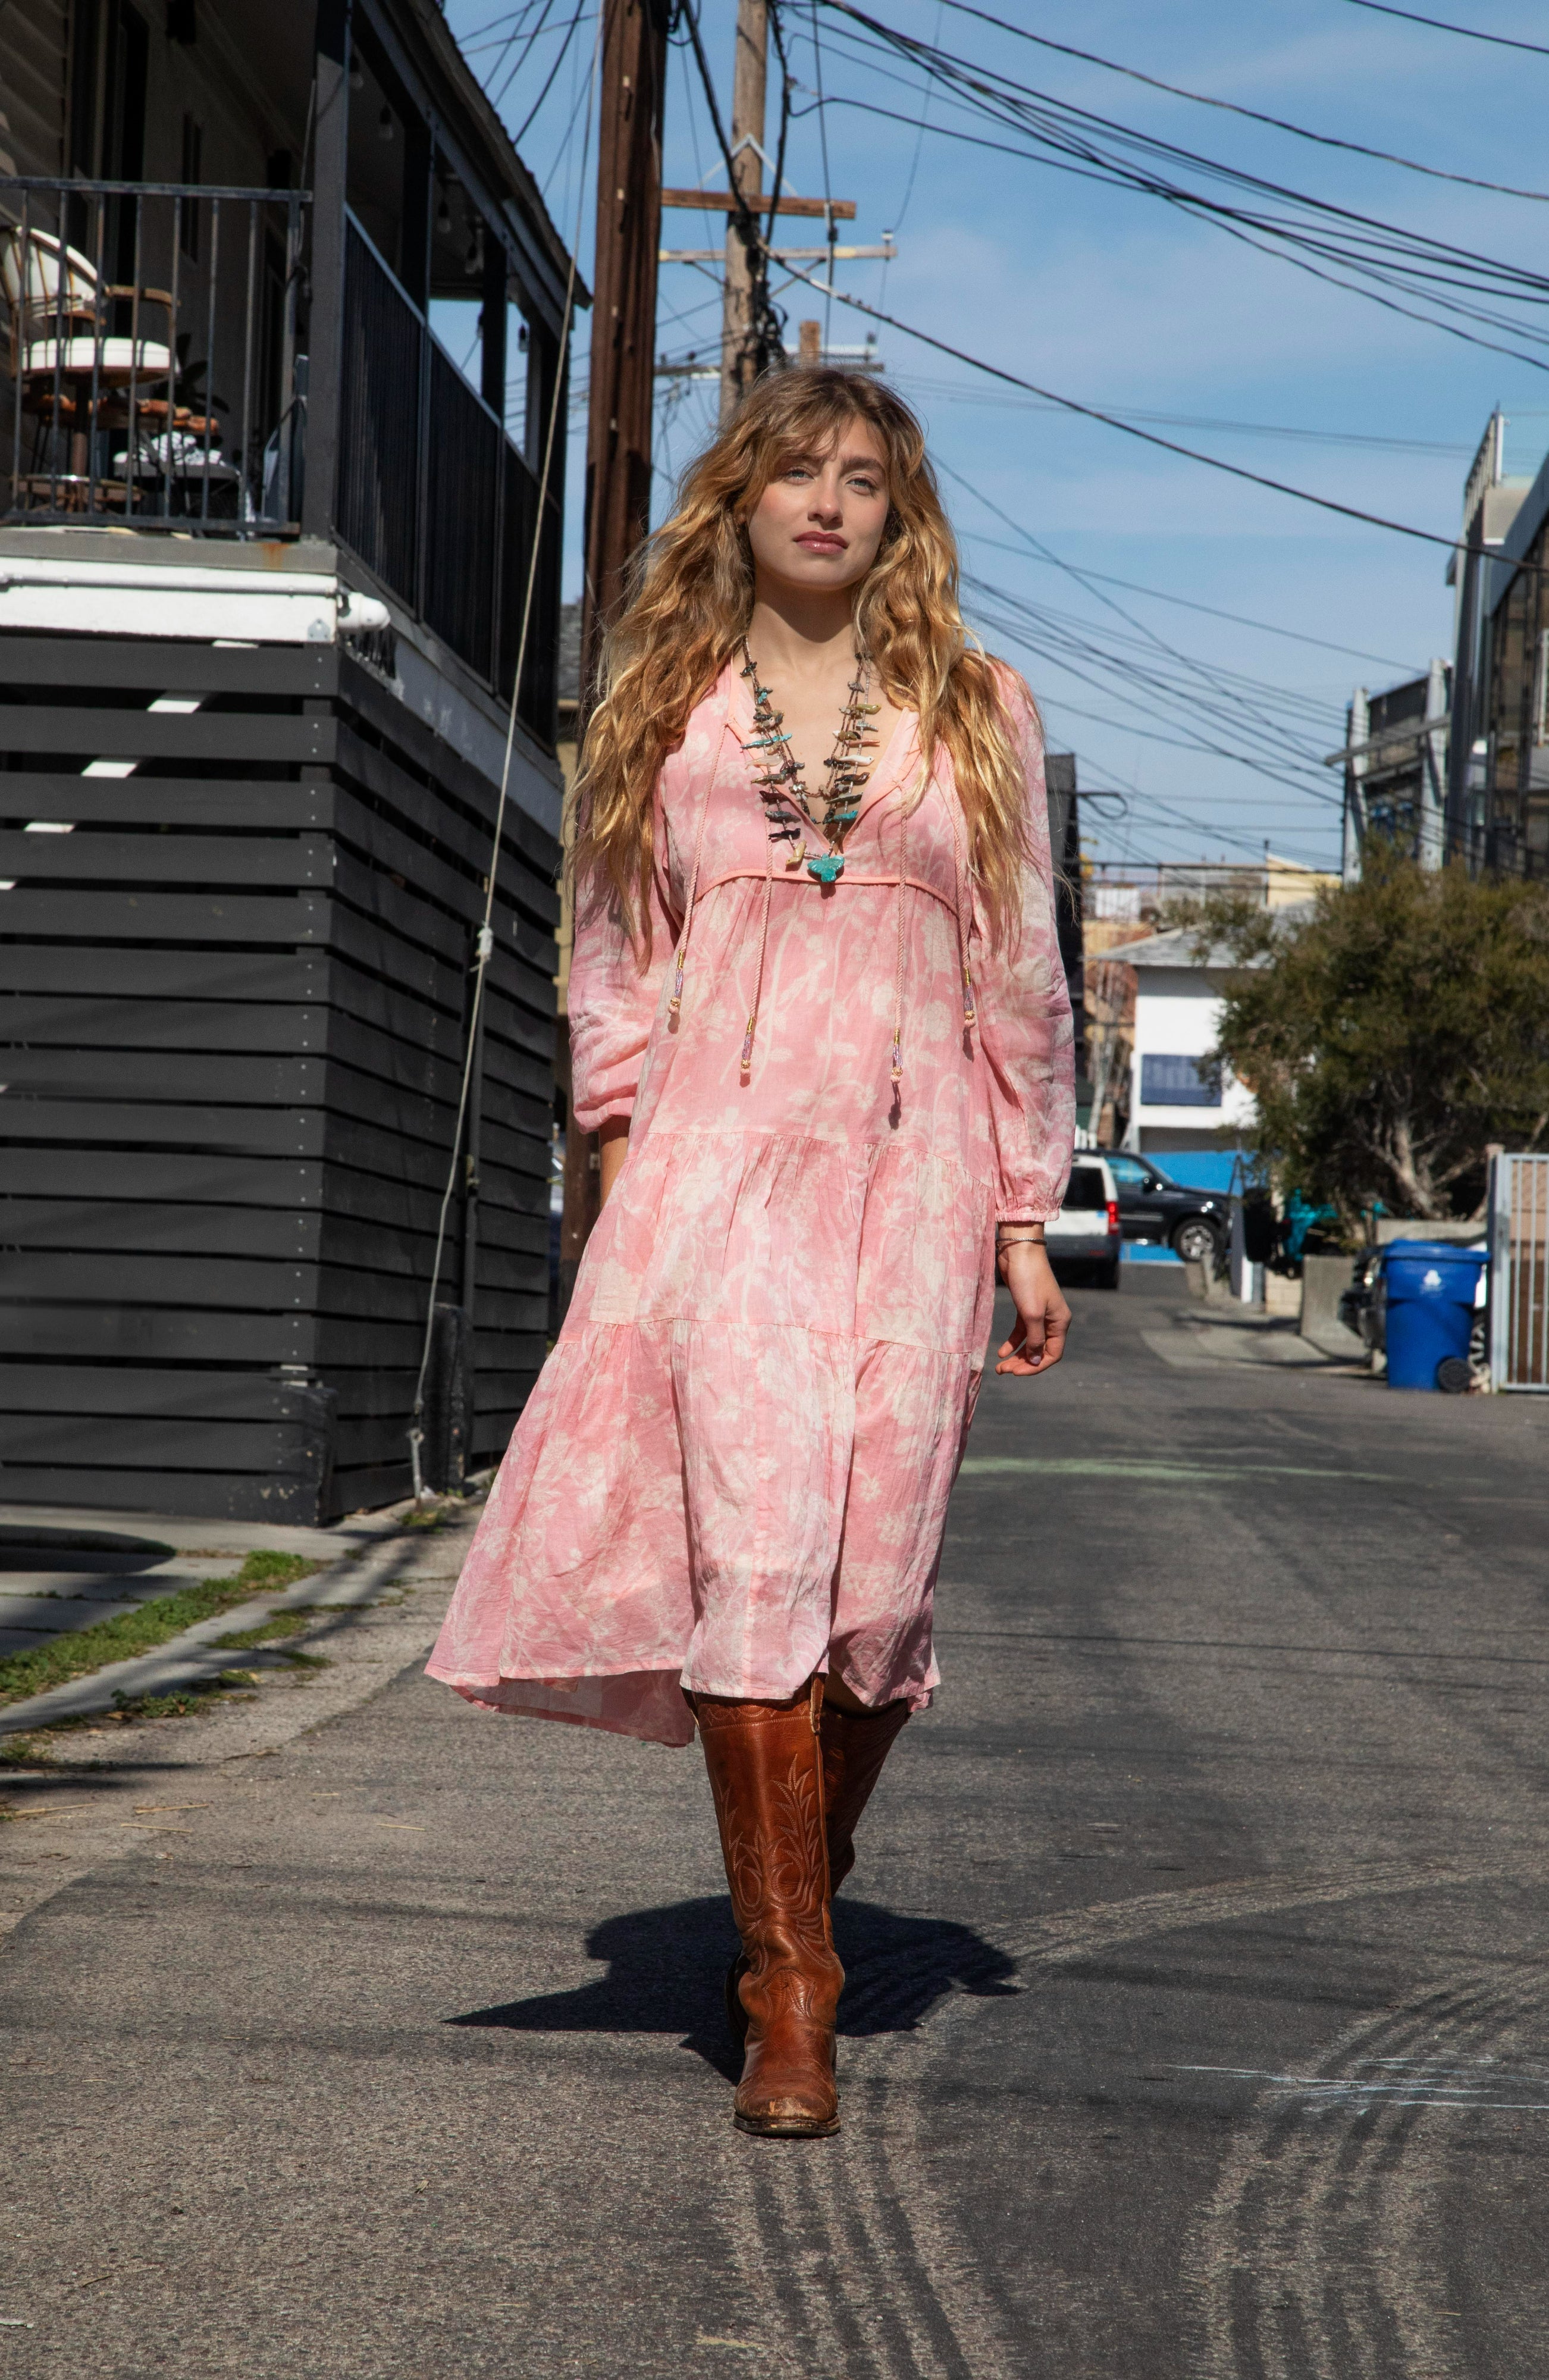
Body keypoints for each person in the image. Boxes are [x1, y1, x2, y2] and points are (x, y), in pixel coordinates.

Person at [428, 368, 1075, 2139]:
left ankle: (782, 1888)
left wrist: (1026, 1215)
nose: (827, 501)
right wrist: (625, 1162)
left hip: (917, 1179)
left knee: (871, 1604)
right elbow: (614, 965)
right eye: (795, 471)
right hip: (718, 1182)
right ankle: (792, 1988)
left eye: (863, 480)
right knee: (763, 1571)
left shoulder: (981, 707)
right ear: (739, 499)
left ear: (897, 517)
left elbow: (1020, 976)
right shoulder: (668, 706)